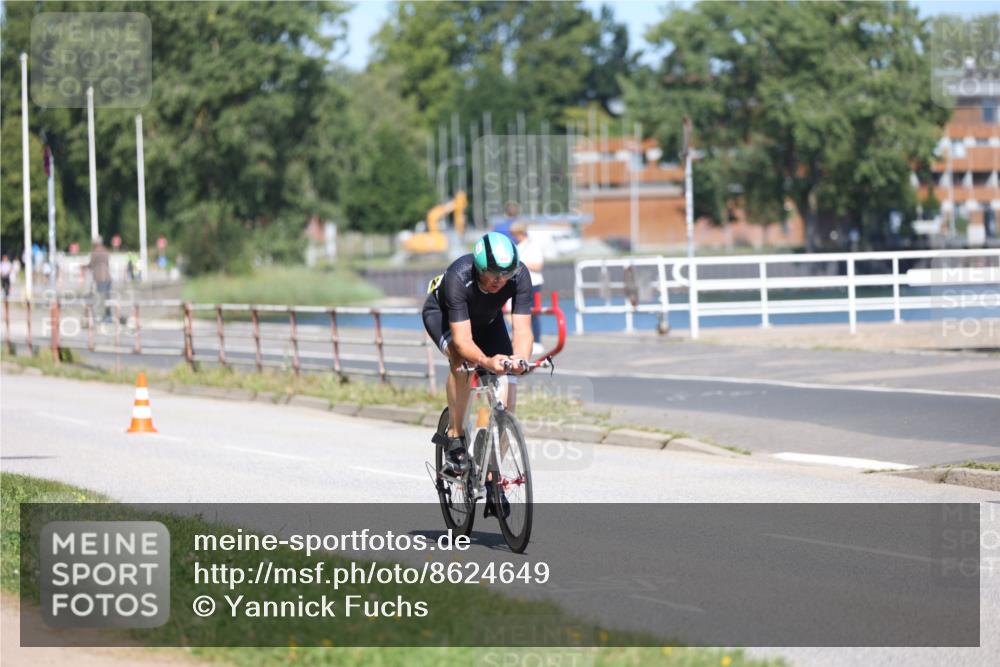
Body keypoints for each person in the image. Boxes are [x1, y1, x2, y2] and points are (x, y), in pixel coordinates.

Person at [422, 232, 534, 516]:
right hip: (445, 318)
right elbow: (461, 340)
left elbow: (522, 330)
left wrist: (519, 360)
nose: (499, 281)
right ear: (479, 267)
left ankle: (492, 477)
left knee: (508, 389)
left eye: (505, 275)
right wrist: (486, 360)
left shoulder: (519, 275)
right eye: (492, 275)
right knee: (461, 361)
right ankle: (456, 437)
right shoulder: (459, 275)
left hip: (488, 321)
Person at [509, 222, 545, 355]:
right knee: (522, 312)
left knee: (534, 312)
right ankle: (524, 340)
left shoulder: (534, 246)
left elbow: (539, 265)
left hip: (534, 282)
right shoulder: (519, 246)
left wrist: (522, 265)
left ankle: (537, 340)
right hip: (522, 282)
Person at [87, 237, 112, 322]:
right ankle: (109, 316)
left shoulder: (94, 252)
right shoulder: (105, 250)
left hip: (100, 278)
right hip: (108, 277)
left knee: (101, 299)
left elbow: (91, 264)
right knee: (107, 298)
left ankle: (103, 317)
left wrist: (84, 266)